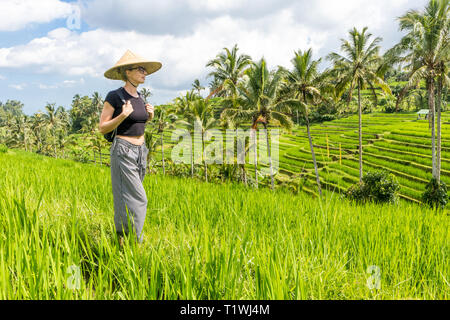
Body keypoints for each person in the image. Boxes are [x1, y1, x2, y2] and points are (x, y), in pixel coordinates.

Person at [99, 50, 162, 244]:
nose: (144, 73)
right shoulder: (115, 96)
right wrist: (122, 115)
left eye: (145, 70)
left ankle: (122, 242)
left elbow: (137, 124)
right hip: (124, 150)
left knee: (128, 198)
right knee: (139, 199)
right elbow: (102, 128)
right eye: (140, 69)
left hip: (141, 151)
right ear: (128, 72)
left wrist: (149, 116)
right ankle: (136, 243)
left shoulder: (140, 96)